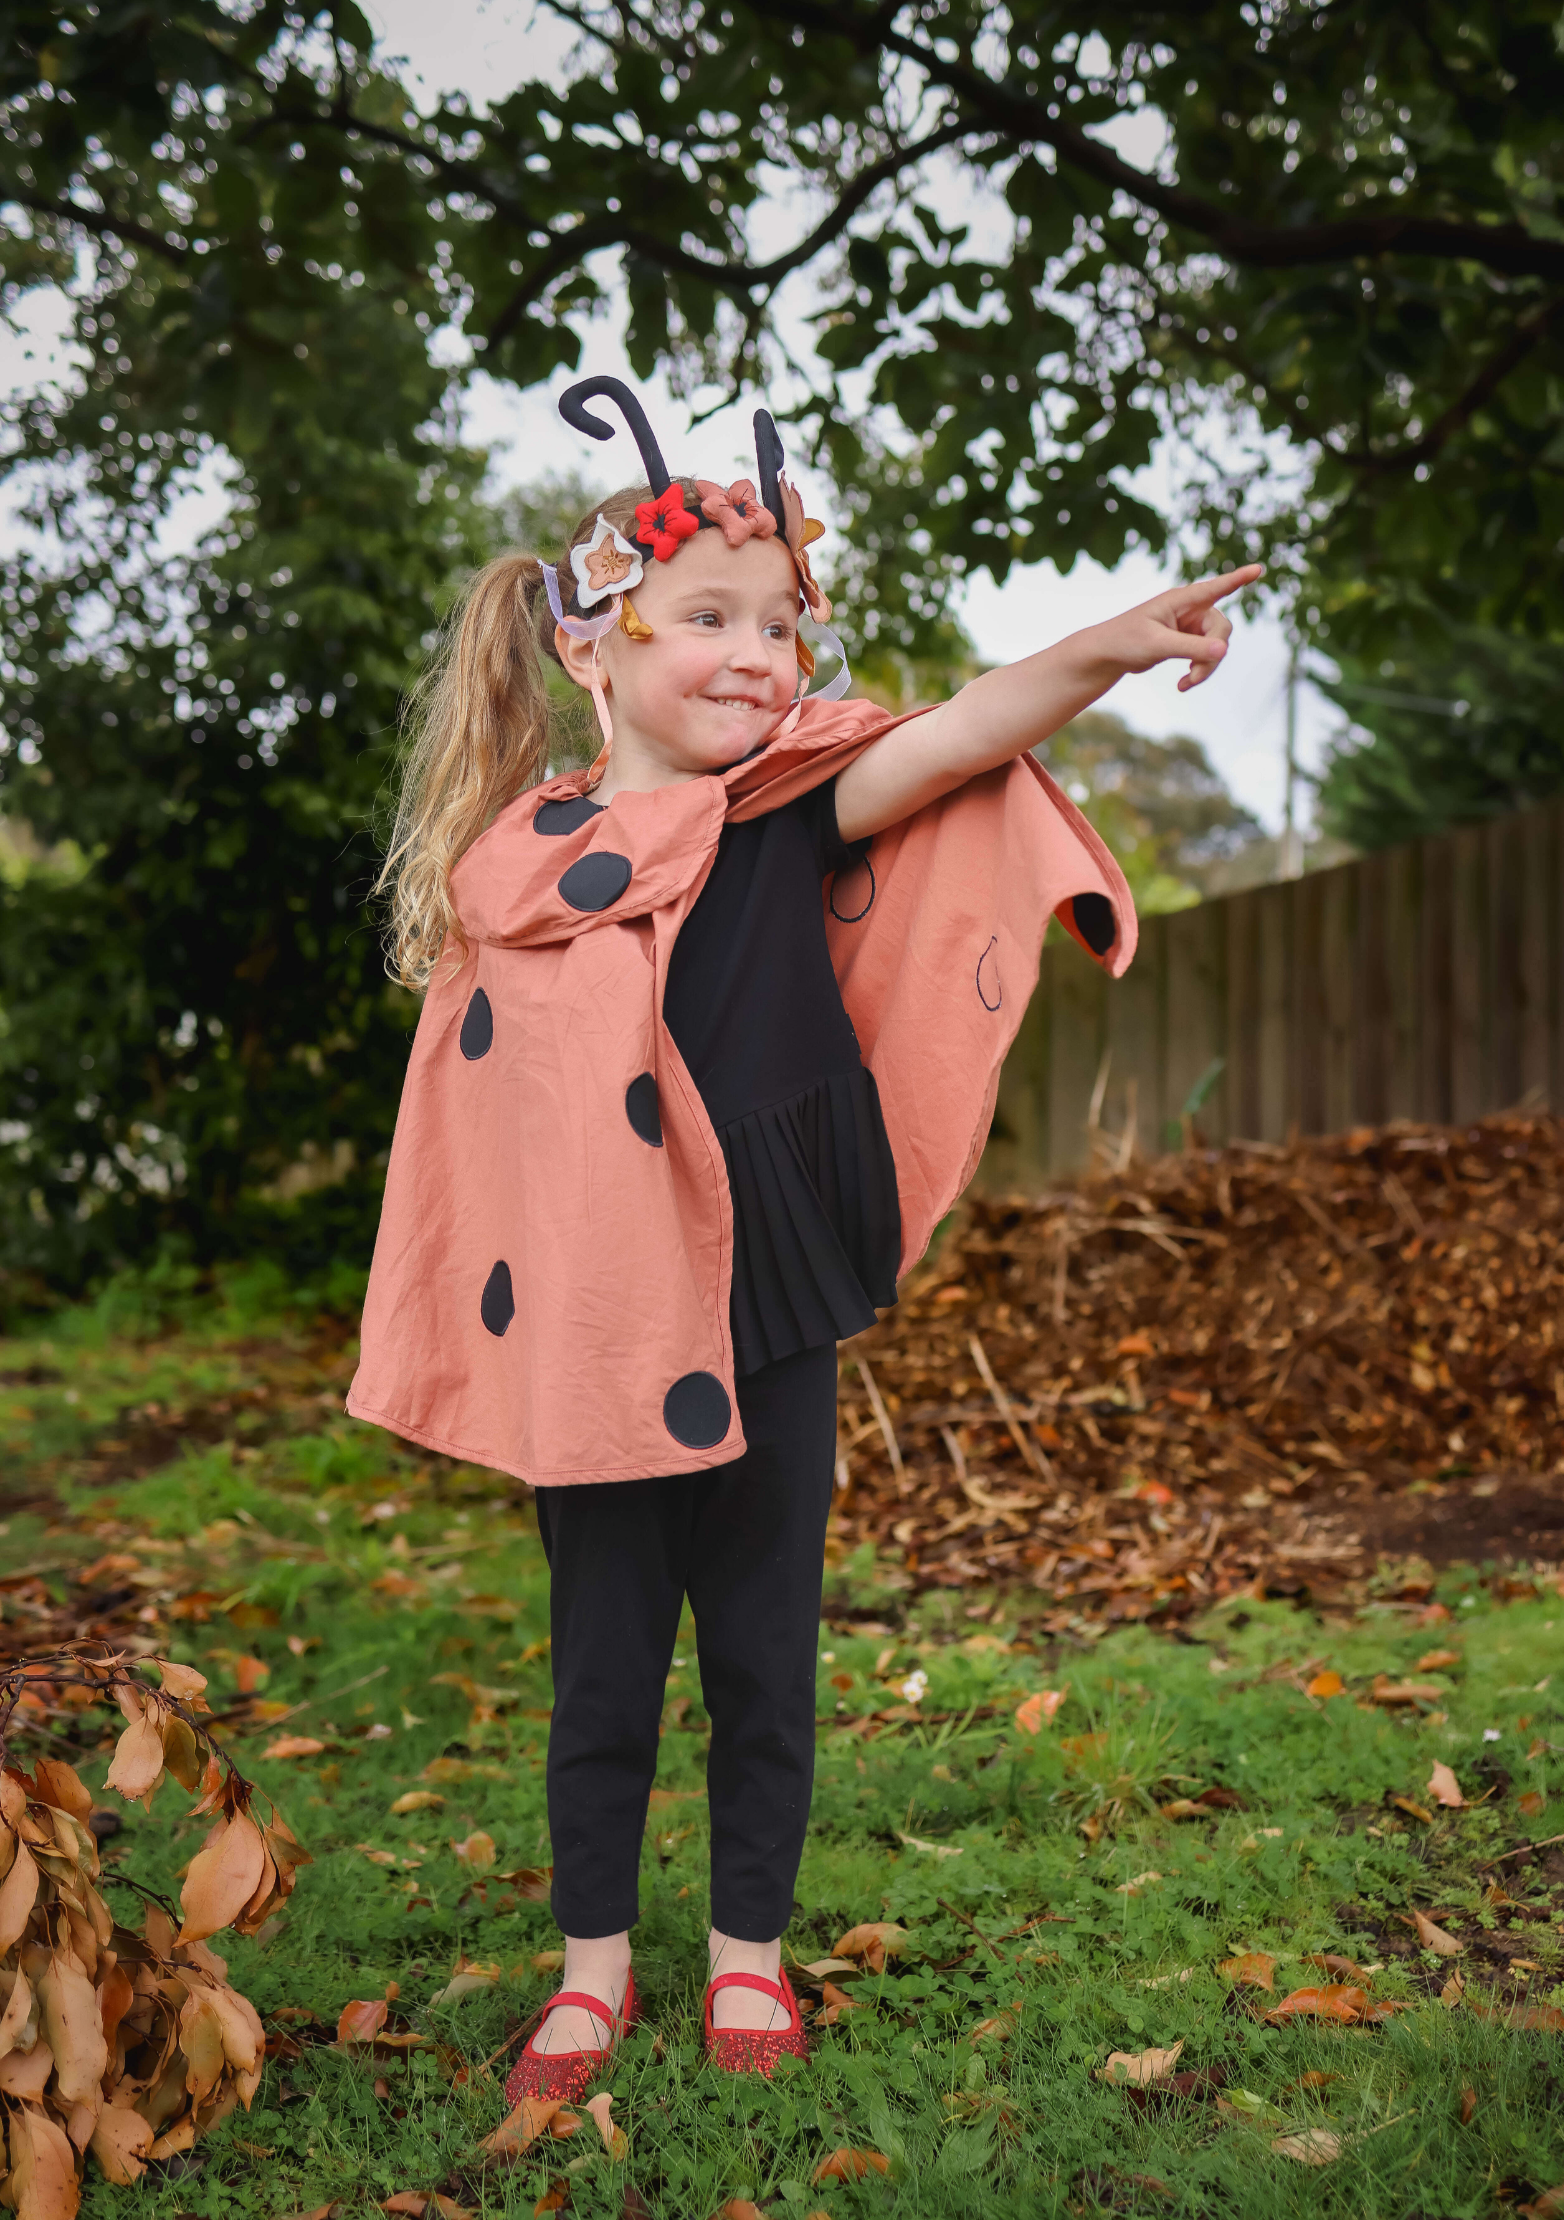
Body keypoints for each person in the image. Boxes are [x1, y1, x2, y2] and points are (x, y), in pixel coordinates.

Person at [350, 376, 1257, 2095]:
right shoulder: (517, 876)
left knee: (765, 1652)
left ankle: (748, 1956)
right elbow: (505, 1141)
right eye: (709, 619)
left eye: (780, 625)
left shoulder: (785, 816)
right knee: (603, 1662)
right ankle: (593, 1966)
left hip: (768, 1299)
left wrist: (1115, 642)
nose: (760, 655)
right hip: (602, 1325)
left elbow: (970, 730)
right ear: (595, 652)